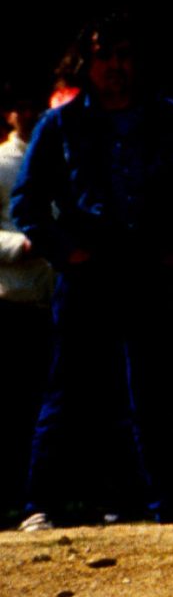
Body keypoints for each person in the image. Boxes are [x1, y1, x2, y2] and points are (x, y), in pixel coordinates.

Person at [13, 18, 173, 529]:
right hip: (88, 272)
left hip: (148, 269)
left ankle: (170, 504)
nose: (116, 67)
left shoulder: (167, 121)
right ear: (86, 63)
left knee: (155, 393)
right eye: (105, 56)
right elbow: (27, 203)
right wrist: (67, 251)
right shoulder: (60, 125)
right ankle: (41, 505)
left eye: (125, 55)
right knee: (69, 390)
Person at [0, 84, 55, 525]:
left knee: (45, 401)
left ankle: (43, 494)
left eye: (35, 106)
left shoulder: (56, 157)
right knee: (15, 404)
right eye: (22, 107)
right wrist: (22, 245)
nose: (30, 114)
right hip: (11, 297)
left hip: (51, 297)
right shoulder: (2, 163)